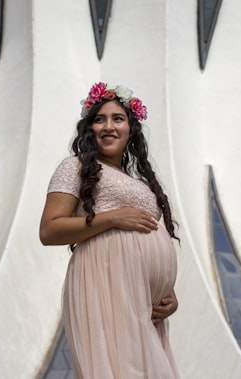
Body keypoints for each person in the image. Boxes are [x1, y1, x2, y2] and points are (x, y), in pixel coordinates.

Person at [40, 82, 180, 378]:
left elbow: (147, 231)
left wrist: (168, 291)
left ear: (131, 129)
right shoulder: (74, 167)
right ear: (88, 128)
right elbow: (50, 230)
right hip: (104, 284)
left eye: (118, 118)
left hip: (142, 300)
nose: (108, 126)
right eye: (99, 119)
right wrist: (112, 218)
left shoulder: (138, 181)